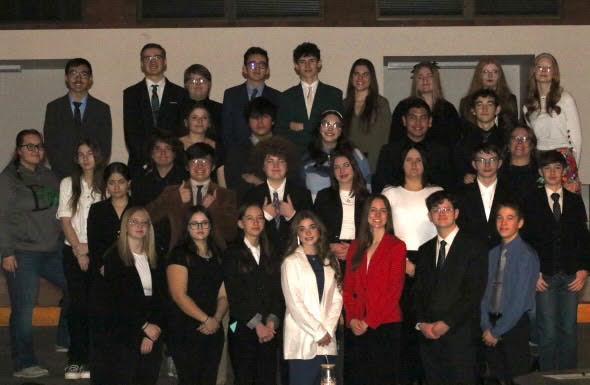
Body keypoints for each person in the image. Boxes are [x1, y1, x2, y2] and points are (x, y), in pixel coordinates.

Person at [0, 129, 65, 379]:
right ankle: (23, 363)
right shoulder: (7, 179)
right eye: (29, 146)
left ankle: (64, 338)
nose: (35, 151)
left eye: (39, 146)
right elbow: (2, 218)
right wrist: (6, 252)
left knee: (77, 287)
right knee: (24, 308)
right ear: (18, 151)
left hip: (52, 249)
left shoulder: (50, 177)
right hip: (22, 252)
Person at [521, 150, 590, 370]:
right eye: (547, 168)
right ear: (541, 172)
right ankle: (548, 377)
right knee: (547, 332)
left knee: (569, 331)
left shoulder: (575, 201)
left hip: (571, 275)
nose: (552, 172)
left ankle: (568, 377)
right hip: (543, 276)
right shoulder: (530, 201)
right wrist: (532, 272)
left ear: (563, 171)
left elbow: (584, 237)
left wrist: (584, 270)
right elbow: (524, 241)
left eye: (557, 168)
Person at [381, 144, 442, 384]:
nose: (414, 164)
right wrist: (402, 261)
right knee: (405, 325)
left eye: (418, 159)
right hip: (399, 260)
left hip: (431, 261)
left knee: (428, 322)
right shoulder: (391, 193)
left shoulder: (437, 191)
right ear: (402, 164)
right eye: (409, 159)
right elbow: (383, 231)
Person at [413, 190, 487, 385]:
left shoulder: (474, 247)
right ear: (430, 216)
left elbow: (474, 293)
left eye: (447, 208)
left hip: (461, 336)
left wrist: (446, 323)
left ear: (456, 213)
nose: (442, 213)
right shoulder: (425, 250)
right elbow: (418, 291)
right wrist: (422, 324)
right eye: (436, 209)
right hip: (429, 337)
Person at [343, 195, 406, 385]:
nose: (377, 214)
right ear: (366, 215)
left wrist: (369, 322)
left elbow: (393, 292)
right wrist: (352, 318)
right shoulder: (355, 246)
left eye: (383, 210)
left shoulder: (397, 246)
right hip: (357, 326)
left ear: (388, 216)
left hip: (384, 325)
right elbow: (348, 287)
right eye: (373, 210)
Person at [57, 139, 105, 380]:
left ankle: (94, 357)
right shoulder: (68, 183)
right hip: (72, 251)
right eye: (80, 154)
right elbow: (65, 220)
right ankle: (76, 357)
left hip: (99, 252)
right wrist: (79, 249)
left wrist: (90, 250)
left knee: (97, 306)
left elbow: (109, 223)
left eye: (90, 153)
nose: (85, 158)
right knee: (77, 306)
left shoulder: (107, 183)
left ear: (98, 155)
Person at [167, 205, 229, 385]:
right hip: (186, 328)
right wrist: (205, 320)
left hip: (213, 327)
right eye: (194, 224)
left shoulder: (219, 254)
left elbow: (224, 294)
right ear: (186, 227)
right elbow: (179, 295)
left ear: (210, 226)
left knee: (209, 379)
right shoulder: (179, 255)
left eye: (204, 223)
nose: (200, 228)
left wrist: (216, 319)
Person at [223, 204, 283, 385]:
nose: (256, 222)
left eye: (260, 218)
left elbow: (278, 290)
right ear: (240, 223)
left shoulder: (271, 250)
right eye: (250, 218)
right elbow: (234, 293)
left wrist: (272, 320)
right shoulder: (231, 252)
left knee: (268, 378)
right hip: (241, 327)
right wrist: (257, 324)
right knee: (244, 378)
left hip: (269, 328)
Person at [103, 207, 165, 385]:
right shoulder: (113, 257)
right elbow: (116, 301)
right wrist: (143, 326)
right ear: (125, 226)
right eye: (134, 222)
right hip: (124, 331)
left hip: (153, 329)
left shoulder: (156, 256)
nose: (140, 226)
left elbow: (162, 297)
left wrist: (153, 330)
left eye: (144, 222)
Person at [480, 201, 539, 384]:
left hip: (514, 326)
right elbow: (485, 293)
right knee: (495, 377)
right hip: (490, 324)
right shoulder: (492, 254)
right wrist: (485, 325)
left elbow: (519, 302)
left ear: (520, 223)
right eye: (500, 218)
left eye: (510, 218)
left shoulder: (526, 256)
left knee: (516, 378)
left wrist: (497, 332)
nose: (503, 223)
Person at [281, 210, 343, 385]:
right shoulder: (291, 262)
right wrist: (318, 332)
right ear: (297, 234)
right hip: (302, 339)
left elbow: (337, 299)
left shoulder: (331, 260)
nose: (308, 232)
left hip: (327, 340)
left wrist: (328, 330)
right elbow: (294, 304)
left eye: (312, 227)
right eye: (302, 229)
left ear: (319, 230)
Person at [86, 162, 133, 384]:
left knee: (127, 326)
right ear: (106, 185)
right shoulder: (97, 210)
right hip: (104, 276)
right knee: (104, 328)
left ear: (129, 183)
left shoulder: (138, 208)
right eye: (112, 182)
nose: (116, 187)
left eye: (121, 182)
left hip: (132, 274)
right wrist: (104, 266)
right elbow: (95, 245)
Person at [147, 142, 238, 251]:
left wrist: (214, 207)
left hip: (215, 253)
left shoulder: (225, 194)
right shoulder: (173, 192)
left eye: (205, 161)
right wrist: (175, 198)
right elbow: (147, 217)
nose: (200, 165)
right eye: (194, 161)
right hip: (180, 253)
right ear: (187, 167)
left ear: (213, 166)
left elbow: (231, 233)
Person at [124, 43, 190, 178]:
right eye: (147, 58)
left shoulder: (180, 93)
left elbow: (182, 130)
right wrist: (150, 159)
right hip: (141, 165)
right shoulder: (131, 94)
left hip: (174, 166)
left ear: (165, 62)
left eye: (157, 57)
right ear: (142, 64)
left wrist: (167, 157)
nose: (152, 61)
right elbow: (131, 132)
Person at [43, 58, 112, 180]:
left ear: (90, 79)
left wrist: (91, 172)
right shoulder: (54, 108)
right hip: (62, 176)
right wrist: (67, 175)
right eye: (73, 73)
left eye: (83, 74)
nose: (78, 78)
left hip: (94, 177)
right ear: (66, 78)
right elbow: (50, 145)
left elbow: (105, 147)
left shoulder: (102, 109)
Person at [243, 137, 313, 256]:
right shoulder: (251, 196)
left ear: (288, 165)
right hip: (262, 257)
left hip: (295, 256)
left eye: (281, 161)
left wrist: (292, 216)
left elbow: (313, 231)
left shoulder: (302, 194)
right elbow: (243, 232)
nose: (276, 166)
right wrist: (263, 217)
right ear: (263, 167)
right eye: (270, 161)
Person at [524, 52, 582, 193]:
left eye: (548, 68)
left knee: (567, 202)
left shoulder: (565, 99)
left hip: (563, 157)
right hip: (540, 158)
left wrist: (573, 169)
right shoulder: (528, 105)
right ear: (534, 71)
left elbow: (576, 138)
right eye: (540, 67)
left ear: (554, 73)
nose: (544, 71)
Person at [374, 97, 453, 192]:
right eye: (412, 117)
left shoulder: (441, 152)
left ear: (430, 122)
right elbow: (380, 187)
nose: (418, 123)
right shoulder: (389, 152)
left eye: (423, 118)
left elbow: (449, 188)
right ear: (404, 121)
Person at [277, 42, 343, 152]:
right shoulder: (286, 96)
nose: (307, 66)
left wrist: (301, 126)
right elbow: (280, 131)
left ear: (319, 63)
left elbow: (338, 128)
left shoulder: (334, 94)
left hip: (325, 154)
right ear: (296, 66)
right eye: (302, 62)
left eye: (311, 61)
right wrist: (316, 125)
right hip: (295, 156)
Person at [314, 149, 369, 267]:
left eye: (346, 165)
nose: (342, 171)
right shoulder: (323, 196)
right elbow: (316, 227)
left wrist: (354, 249)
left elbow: (371, 232)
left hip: (359, 253)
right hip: (330, 252)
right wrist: (329, 246)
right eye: (337, 167)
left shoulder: (367, 199)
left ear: (354, 168)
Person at [389, 61, 460, 150]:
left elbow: (456, 143)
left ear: (436, 80)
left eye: (429, 76)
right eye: (420, 77)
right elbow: (395, 140)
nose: (425, 80)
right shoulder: (403, 107)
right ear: (416, 82)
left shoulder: (448, 109)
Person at [222, 47, 281, 151]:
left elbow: (279, 130)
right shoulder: (231, 95)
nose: (257, 68)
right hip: (238, 154)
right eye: (252, 64)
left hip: (269, 153)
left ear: (267, 70)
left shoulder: (277, 97)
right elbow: (226, 130)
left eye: (261, 65)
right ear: (244, 69)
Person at [303, 109, 371, 200]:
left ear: (341, 130)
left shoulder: (355, 155)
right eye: (326, 124)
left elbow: (367, 189)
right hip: (315, 212)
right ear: (319, 128)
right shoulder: (308, 158)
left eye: (336, 125)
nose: (330, 128)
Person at [457, 143, 512, 250]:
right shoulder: (461, 194)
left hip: (504, 252)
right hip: (470, 254)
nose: (487, 165)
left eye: (492, 160)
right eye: (481, 160)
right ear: (474, 164)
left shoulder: (511, 192)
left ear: (499, 163)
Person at [343, 58, 392, 171]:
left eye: (365, 74)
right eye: (356, 74)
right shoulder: (343, 105)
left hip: (375, 168)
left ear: (371, 78)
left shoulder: (381, 104)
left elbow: (386, 139)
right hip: (349, 169)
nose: (360, 78)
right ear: (351, 77)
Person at [224, 97, 276, 203]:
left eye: (264, 117)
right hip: (247, 207)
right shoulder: (236, 151)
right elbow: (234, 187)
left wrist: (257, 182)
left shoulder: (284, 149)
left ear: (273, 121)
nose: (260, 122)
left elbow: (290, 185)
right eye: (255, 117)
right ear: (248, 122)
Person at [455, 89, 506, 186]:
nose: (484, 109)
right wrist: (464, 176)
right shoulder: (463, 142)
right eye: (479, 105)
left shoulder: (506, 140)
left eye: (489, 104)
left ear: (497, 110)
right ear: (473, 111)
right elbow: (457, 170)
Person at [459, 57, 518, 136]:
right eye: (485, 72)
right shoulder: (466, 102)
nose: (490, 75)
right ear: (479, 75)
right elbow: (464, 131)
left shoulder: (510, 100)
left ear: (500, 75)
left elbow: (513, 128)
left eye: (494, 72)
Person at [131, 129, 187, 206]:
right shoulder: (141, 180)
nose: (163, 153)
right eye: (157, 148)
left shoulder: (185, 178)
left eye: (167, 148)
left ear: (175, 153)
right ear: (151, 154)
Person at [499, 125, 540, 201]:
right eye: (515, 138)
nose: (520, 142)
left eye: (525, 139)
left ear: (532, 145)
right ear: (508, 144)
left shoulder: (542, 171)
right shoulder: (496, 171)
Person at [184, 64, 222, 131]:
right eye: (193, 81)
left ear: (209, 84)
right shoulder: (177, 109)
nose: (198, 84)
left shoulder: (221, 110)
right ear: (186, 85)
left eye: (202, 80)